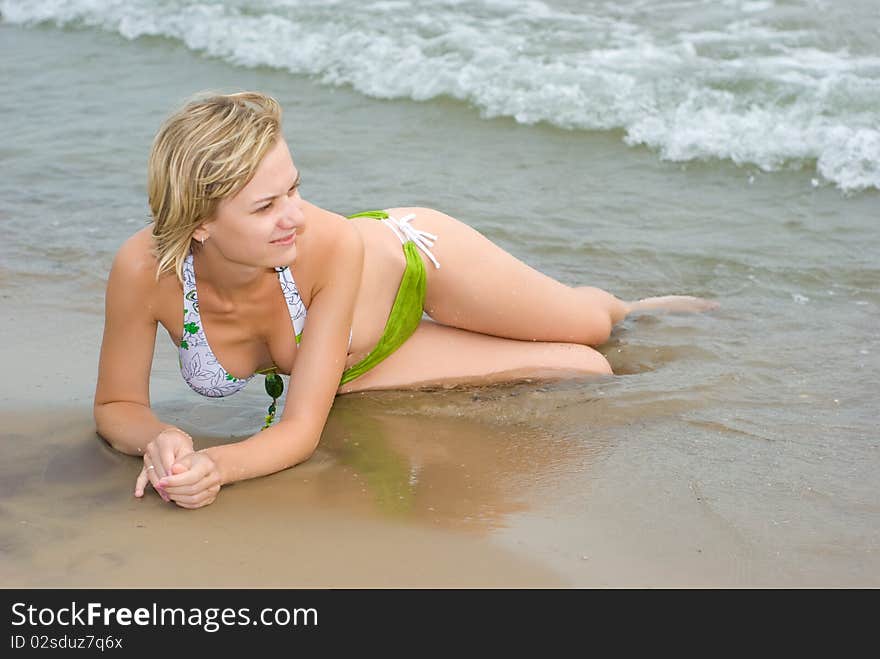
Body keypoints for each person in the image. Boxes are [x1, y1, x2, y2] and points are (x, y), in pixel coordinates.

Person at [94, 91, 718, 509]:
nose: (296, 217)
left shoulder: (329, 242)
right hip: (359, 358)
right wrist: (162, 437)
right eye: (266, 206)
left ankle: (633, 304)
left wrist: (219, 467)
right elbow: (118, 403)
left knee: (589, 328)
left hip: (418, 260)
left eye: (295, 190)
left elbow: (301, 430)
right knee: (584, 368)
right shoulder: (142, 269)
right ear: (199, 224)